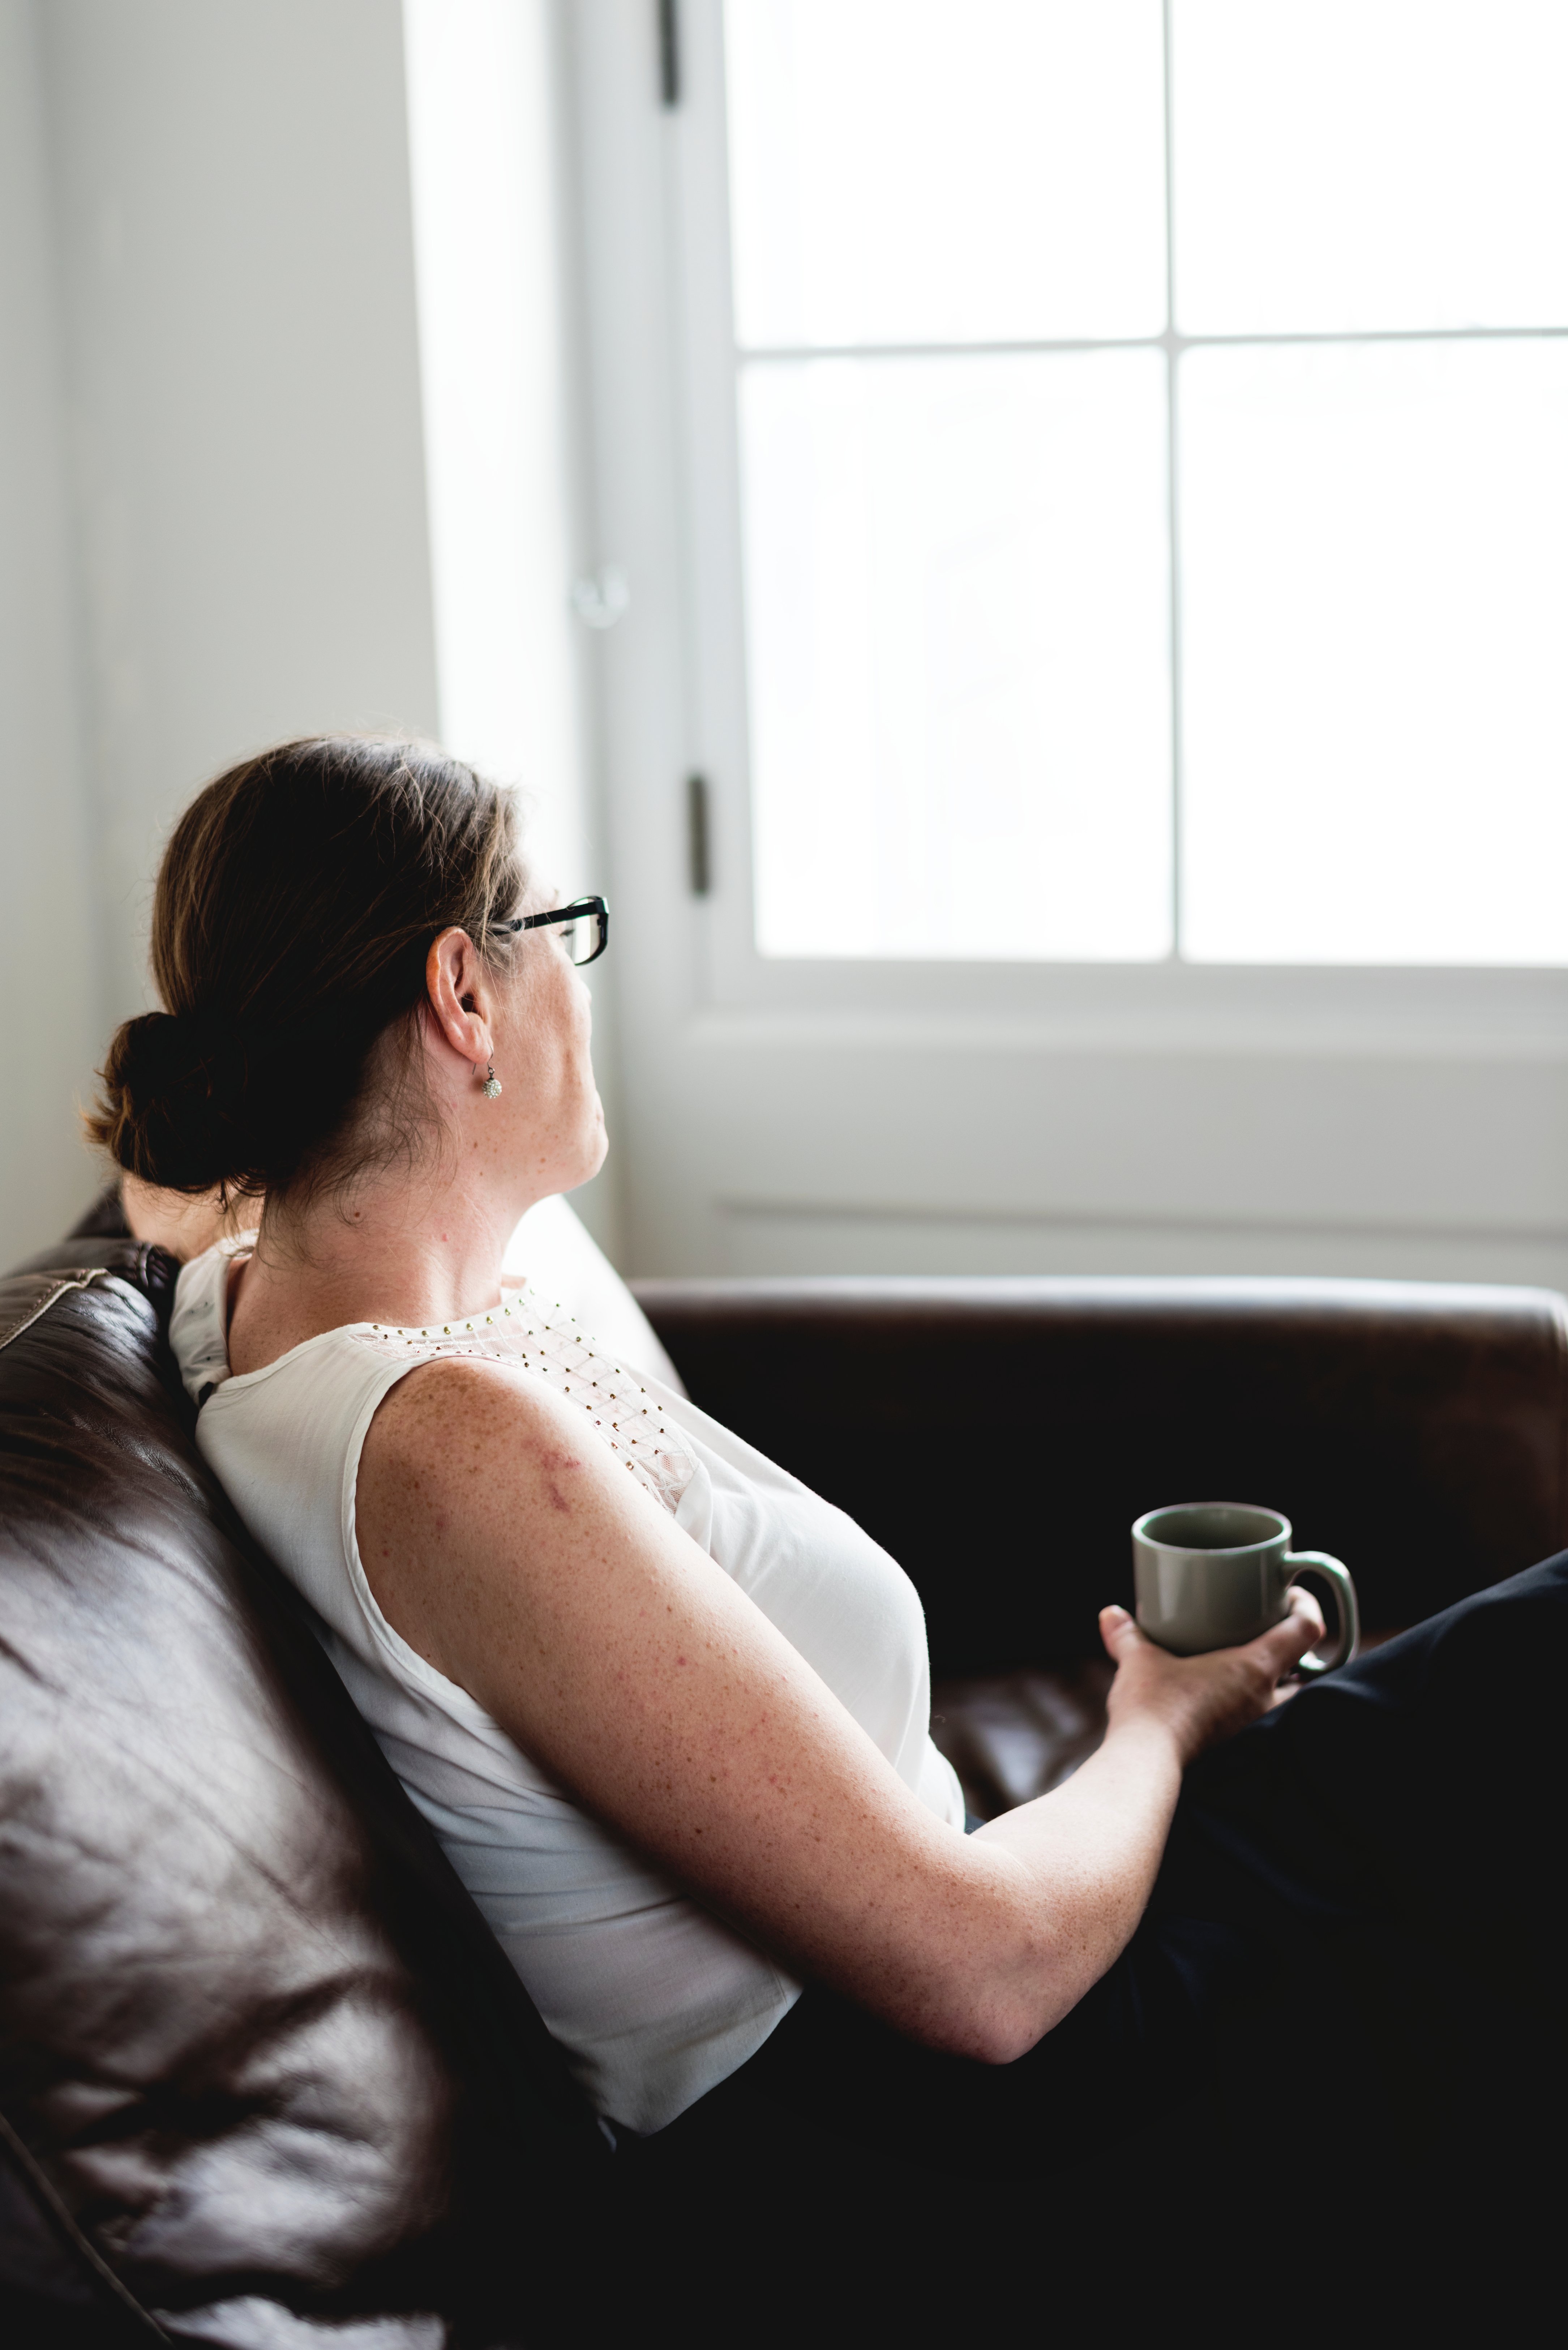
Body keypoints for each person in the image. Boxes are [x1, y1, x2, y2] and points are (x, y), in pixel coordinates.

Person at [89, 736, 1563, 2266]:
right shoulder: (445, 1445)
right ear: (464, 995)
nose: (581, 991)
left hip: (985, 1946)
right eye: (566, 934)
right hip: (978, 2115)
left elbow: (171, 1181)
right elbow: (983, 1981)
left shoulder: (245, 1285)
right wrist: (1158, 1716)